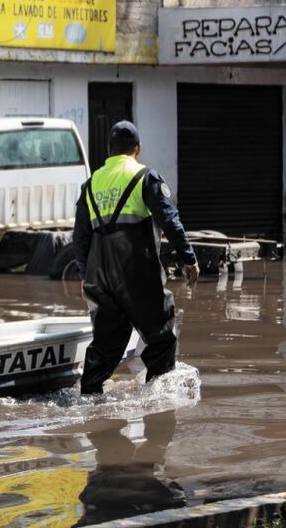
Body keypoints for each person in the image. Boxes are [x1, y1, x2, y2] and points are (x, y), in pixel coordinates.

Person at [73, 121, 199, 394]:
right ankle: (158, 408)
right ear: (138, 149)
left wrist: (85, 276)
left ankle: (89, 400)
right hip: (136, 273)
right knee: (162, 339)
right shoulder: (146, 177)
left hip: (100, 277)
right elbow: (170, 221)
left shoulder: (90, 185)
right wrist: (189, 258)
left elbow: (80, 238)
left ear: (108, 150)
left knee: (106, 346)